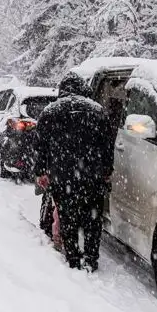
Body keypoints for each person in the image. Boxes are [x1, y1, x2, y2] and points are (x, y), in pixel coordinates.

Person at [33, 73, 116, 271]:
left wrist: (41, 172)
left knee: (68, 217)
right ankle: (90, 258)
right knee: (93, 219)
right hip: (92, 176)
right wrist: (106, 170)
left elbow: (40, 146)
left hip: (62, 176)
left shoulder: (50, 111)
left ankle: (73, 258)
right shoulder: (98, 111)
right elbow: (107, 146)